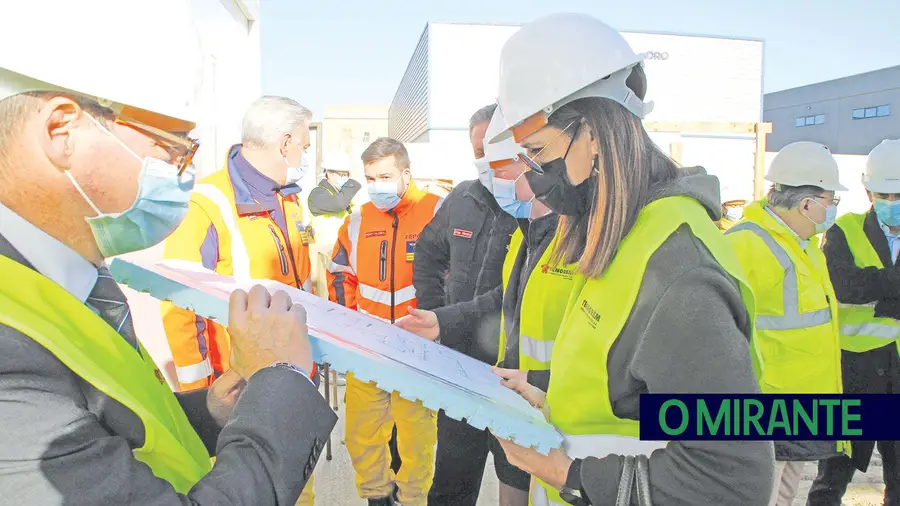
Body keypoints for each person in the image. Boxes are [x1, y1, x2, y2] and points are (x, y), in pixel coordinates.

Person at [0, 1, 336, 504]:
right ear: (61, 133)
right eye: (174, 146)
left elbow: (117, 428)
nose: (184, 172)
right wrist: (282, 381)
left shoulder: (69, 281)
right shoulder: (10, 358)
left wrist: (208, 411)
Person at [469, 13, 774, 505]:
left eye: (538, 152)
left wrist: (569, 472)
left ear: (593, 133)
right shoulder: (623, 238)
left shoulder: (678, 271)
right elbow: (641, 396)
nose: (533, 175)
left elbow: (731, 477)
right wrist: (550, 391)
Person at [160, 95, 319, 503]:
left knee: (297, 487)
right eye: (303, 142)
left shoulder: (288, 198)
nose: (304, 152)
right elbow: (180, 304)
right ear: (285, 144)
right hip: (236, 395)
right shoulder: (208, 203)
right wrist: (205, 395)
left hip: (290, 378)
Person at [724, 141, 848, 506]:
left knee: (783, 496)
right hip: (769, 410)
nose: (832, 208)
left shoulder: (805, 244)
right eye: (831, 200)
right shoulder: (745, 245)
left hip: (801, 409)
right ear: (807, 204)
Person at [412, 104, 520, 506]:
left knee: (516, 477)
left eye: (490, 149)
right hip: (458, 363)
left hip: (511, 373)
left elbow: (513, 291)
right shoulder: (462, 198)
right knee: (452, 480)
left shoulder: (533, 206)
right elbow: (427, 252)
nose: (482, 160)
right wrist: (435, 313)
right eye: (476, 151)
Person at [326, 137, 442, 506]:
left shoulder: (438, 212)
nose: (378, 185)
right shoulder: (357, 219)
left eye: (386, 176)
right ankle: (377, 497)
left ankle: (412, 499)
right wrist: (346, 330)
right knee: (361, 433)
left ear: (406, 173)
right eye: (370, 178)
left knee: (416, 437)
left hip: (418, 349)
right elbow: (341, 273)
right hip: (368, 347)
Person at [808, 138, 900, 506]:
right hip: (857, 374)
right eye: (885, 195)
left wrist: (876, 286)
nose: (892, 203)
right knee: (834, 473)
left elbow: (864, 285)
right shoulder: (844, 230)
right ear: (868, 191)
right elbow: (844, 286)